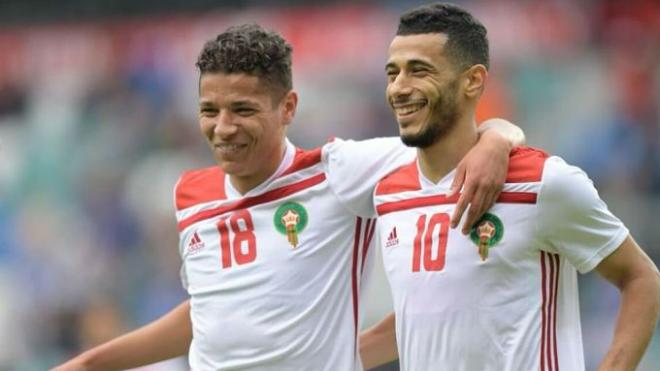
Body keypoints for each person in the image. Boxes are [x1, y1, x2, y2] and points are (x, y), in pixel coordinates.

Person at [52, 24, 525, 370]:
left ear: (288, 108)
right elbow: (211, 311)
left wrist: (498, 139)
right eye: (209, 110)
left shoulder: (338, 173)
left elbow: (462, 137)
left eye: (243, 109)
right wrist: (90, 364)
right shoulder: (190, 195)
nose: (223, 127)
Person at [360, 3, 660, 371]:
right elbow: (424, 319)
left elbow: (642, 279)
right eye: (393, 73)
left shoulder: (543, 182)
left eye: (419, 71)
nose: (400, 88)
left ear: (473, 81)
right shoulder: (390, 195)